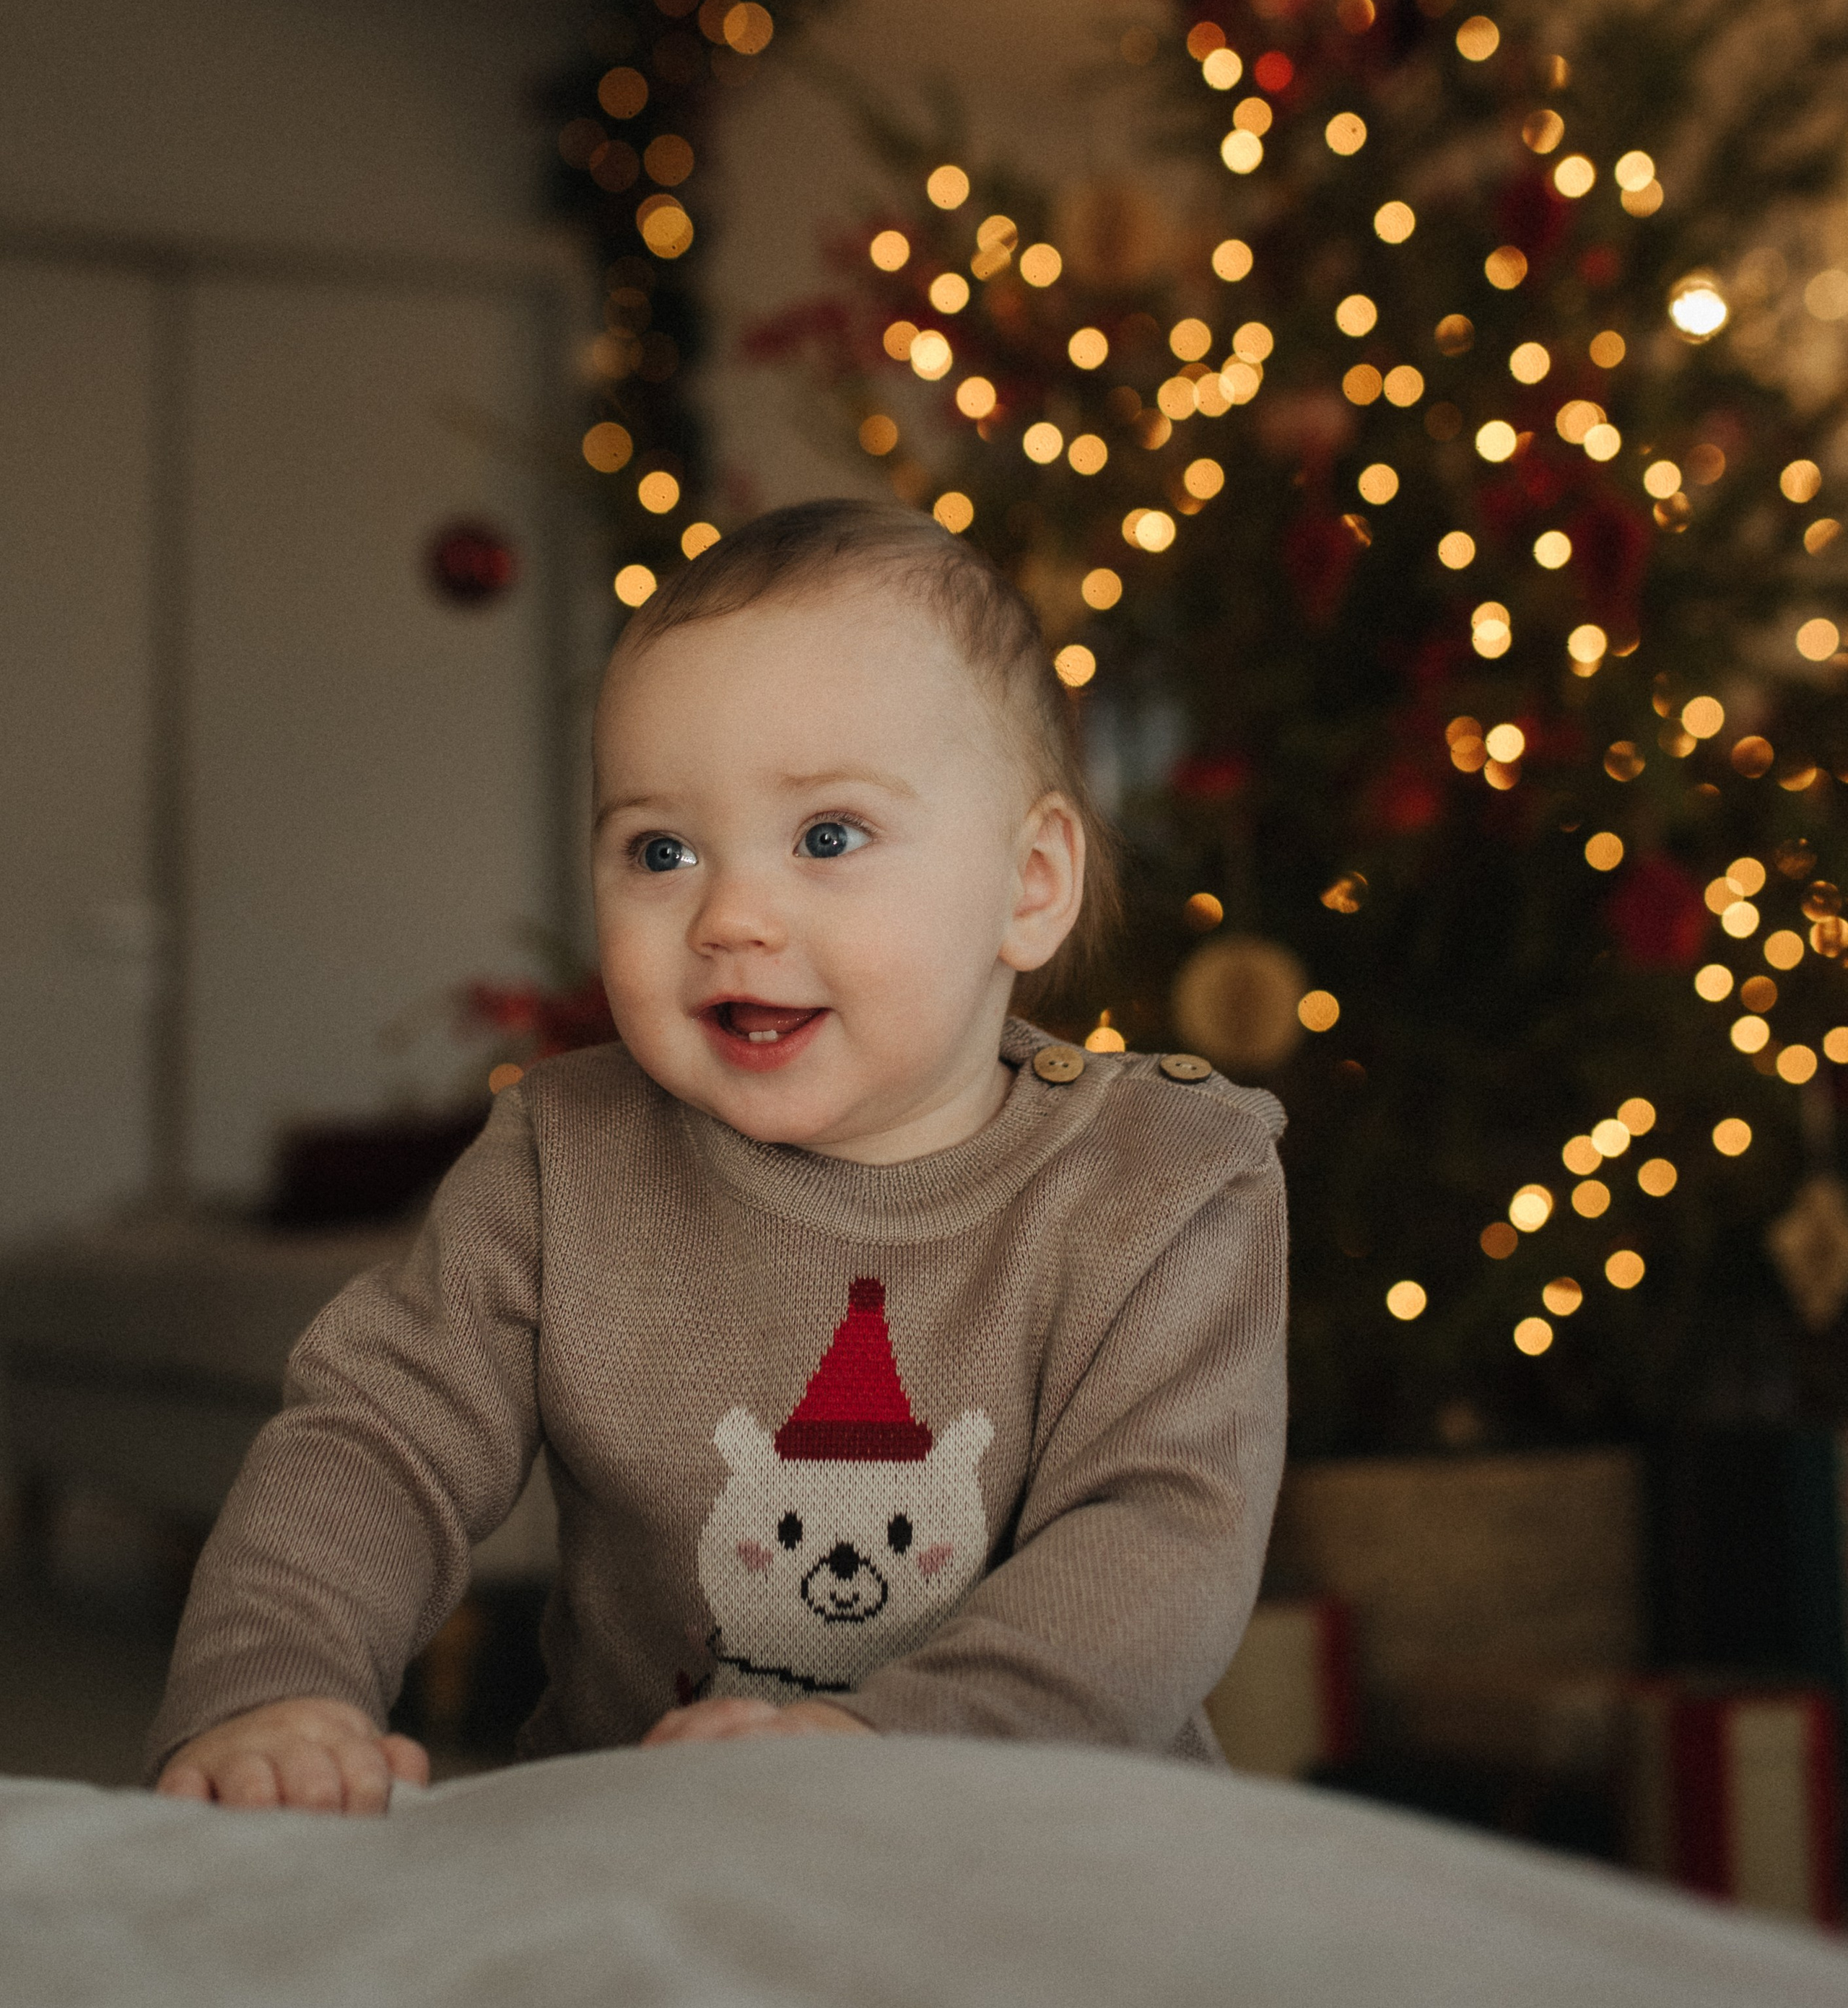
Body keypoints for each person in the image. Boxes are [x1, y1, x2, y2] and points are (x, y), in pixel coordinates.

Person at [149, 499, 1287, 1811]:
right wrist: (273, 1688)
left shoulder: (1164, 1183)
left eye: (827, 836)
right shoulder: (567, 1159)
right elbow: (372, 1441)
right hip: (647, 1840)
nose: (732, 916)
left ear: (1030, 882)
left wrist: (892, 1743)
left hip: (1037, 1846)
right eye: (661, 850)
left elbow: (1157, 1546)